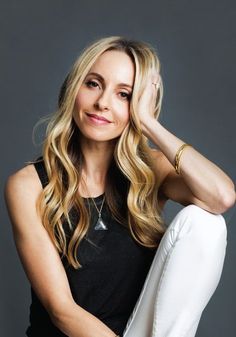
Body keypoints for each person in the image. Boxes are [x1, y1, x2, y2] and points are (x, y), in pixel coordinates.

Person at [4, 36, 235, 337]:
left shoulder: (149, 168)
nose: (103, 103)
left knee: (207, 224)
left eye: (124, 94)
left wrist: (150, 124)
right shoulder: (28, 186)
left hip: (138, 331)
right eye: (93, 84)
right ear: (74, 87)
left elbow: (221, 196)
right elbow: (62, 310)